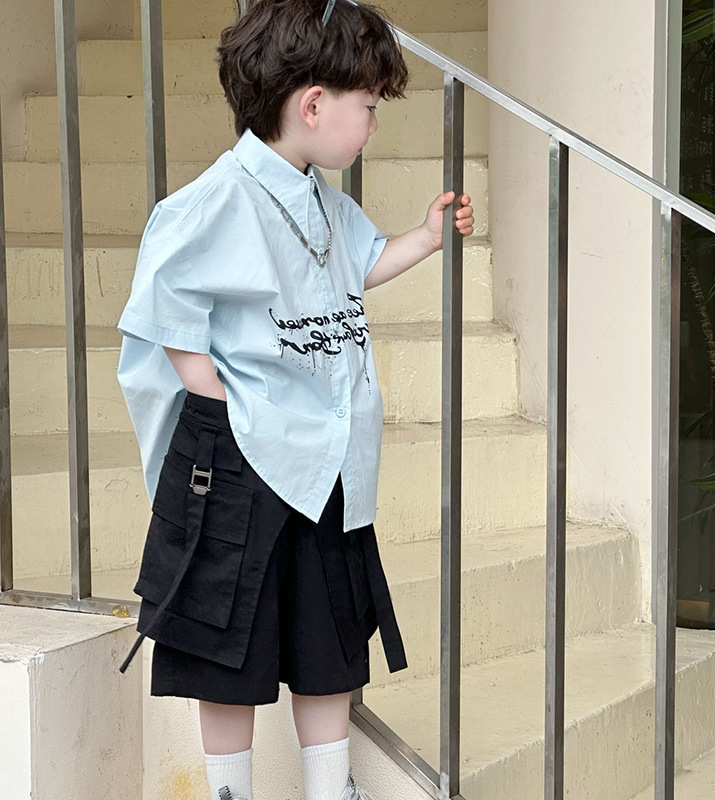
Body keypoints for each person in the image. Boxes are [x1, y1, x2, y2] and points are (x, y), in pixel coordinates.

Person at [116, 1, 475, 799]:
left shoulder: (323, 202)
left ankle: (329, 785)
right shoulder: (216, 200)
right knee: (227, 639)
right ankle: (230, 791)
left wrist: (424, 238)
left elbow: (358, 265)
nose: (372, 123)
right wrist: (217, 408)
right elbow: (163, 309)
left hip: (326, 460)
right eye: (367, 106)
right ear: (313, 105)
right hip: (242, 457)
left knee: (328, 638)